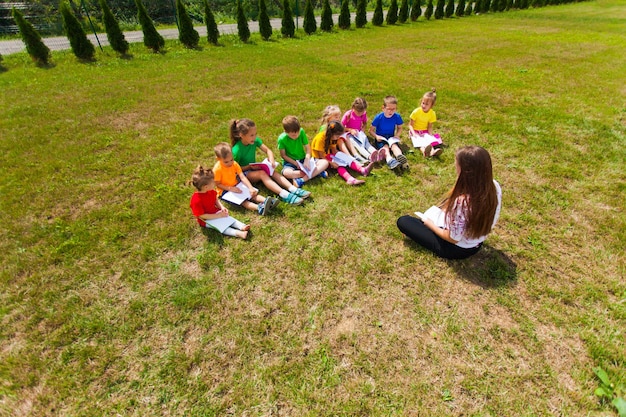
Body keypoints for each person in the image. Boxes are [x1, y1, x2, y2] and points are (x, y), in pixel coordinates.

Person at [396, 146, 502, 259]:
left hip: (456, 249)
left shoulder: (462, 202)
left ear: (464, 171)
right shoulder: (494, 185)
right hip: (476, 241)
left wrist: (430, 224)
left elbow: (452, 239)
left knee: (404, 221)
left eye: (456, 164)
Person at [230, 118, 310, 205]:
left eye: (255, 134)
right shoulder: (236, 150)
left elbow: (268, 150)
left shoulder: (254, 140)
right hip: (243, 174)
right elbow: (234, 170)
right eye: (251, 135)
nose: (255, 137)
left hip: (252, 168)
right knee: (262, 174)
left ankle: (293, 189)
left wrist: (271, 161)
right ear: (241, 135)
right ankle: (286, 195)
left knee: (273, 172)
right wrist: (249, 167)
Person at [213, 142, 277, 215]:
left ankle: (268, 201)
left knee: (251, 194)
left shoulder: (234, 164)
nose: (230, 163)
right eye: (226, 162)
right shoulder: (217, 169)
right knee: (243, 201)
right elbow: (217, 184)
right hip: (224, 191)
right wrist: (230, 188)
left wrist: (250, 188)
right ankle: (259, 208)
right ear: (218, 159)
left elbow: (242, 177)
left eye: (231, 159)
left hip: (236, 184)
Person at [190, 165, 250, 239]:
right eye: (213, 182)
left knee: (228, 218)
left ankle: (242, 226)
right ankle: (238, 233)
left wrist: (221, 207)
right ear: (206, 187)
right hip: (206, 220)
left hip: (215, 211)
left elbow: (215, 200)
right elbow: (201, 215)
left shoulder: (211, 191)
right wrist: (218, 216)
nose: (215, 183)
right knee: (221, 226)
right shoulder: (196, 200)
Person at [310, 121, 373, 186]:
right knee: (339, 164)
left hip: (328, 155)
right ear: (332, 133)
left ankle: (362, 170)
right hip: (320, 159)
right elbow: (321, 156)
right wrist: (332, 163)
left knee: (344, 157)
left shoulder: (332, 137)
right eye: (337, 136)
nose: (338, 138)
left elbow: (334, 150)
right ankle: (349, 179)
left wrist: (343, 157)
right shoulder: (320, 139)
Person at [277, 115, 330, 187]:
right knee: (286, 173)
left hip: (303, 159)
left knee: (325, 162)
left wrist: (307, 159)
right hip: (290, 162)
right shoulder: (281, 139)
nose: (296, 136)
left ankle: (301, 180)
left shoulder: (301, 132)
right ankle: (315, 172)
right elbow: (283, 155)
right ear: (286, 132)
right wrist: (296, 164)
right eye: (293, 135)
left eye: (297, 133)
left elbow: (308, 149)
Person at [369, 95, 409, 171]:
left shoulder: (397, 116)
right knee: (386, 147)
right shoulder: (378, 117)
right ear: (383, 108)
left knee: (394, 146)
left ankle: (401, 158)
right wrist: (376, 136)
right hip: (381, 138)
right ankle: (390, 160)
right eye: (388, 109)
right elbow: (370, 130)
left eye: (393, 109)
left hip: (391, 137)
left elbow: (400, 128)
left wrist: (397, 135)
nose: (391, 111)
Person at [341, 97, 384, 163]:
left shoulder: (363, 114)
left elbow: (364, 123)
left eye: (362, 112)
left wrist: (363, 129)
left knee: (367, 143)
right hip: (349, 135)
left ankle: (376, 153)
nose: (360, 114)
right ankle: (369, 156)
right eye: (358, 112)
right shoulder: (348, 115)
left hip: (359, 133)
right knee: (359, 146)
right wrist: (350, 130)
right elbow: (341, 127)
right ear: (353, 108)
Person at [408, 88, 444, 158]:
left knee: (428, 140)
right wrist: (413, 133)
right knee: (420, 142)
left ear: (432, 105)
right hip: (415, 131)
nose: (423, 105)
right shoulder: (416, 112)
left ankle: (433, 152)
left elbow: (430, 126)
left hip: (424, 131)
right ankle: (424, 152)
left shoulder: (432, 113)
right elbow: (410, 125)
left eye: (426, 104)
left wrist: (430, 135)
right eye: (423, 103)